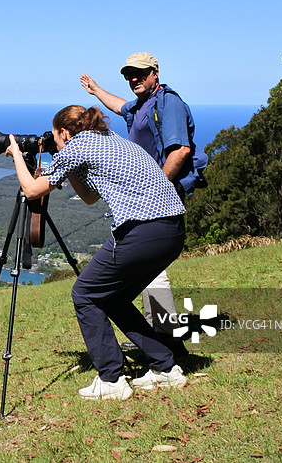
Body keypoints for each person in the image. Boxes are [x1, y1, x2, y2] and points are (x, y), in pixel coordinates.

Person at [5, 104, 188, 401]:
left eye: (57, 138)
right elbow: (90, 197)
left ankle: (111, 379)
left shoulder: (77, 147)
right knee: (112, 298)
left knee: (85, 294)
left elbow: (31, 190)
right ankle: (165, 367)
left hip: (141, 231)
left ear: (64, 132)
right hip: (173, 231)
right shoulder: (113, 139)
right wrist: (65, 163)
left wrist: (16, 155)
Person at [80, 53, 206, 356]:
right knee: (148, 270)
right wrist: (96, 91)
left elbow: (181, 151)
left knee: (150, 270)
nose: (134, 79)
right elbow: (120, 106)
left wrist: (155, 189)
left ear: (155, 73)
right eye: (129, 75)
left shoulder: (168, 103)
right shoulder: (140, 106)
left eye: (139, 73)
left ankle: (167, 345)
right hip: (148, 198)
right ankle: (163, 342)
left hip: (156, 199)